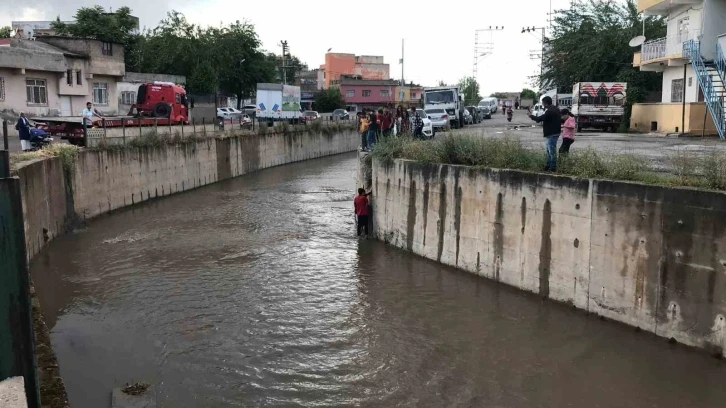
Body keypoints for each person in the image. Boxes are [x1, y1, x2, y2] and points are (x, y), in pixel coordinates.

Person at [529, 96, 562, 171]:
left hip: (551, 134)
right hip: (555, 132)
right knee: (549, 150)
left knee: (551, 151)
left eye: (543, 103)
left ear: (546, 103)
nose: (542, 104)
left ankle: (553, 167)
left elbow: (539, 119)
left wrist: (530, 116)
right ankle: (548, 165)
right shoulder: (556, 109)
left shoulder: (549, 111)